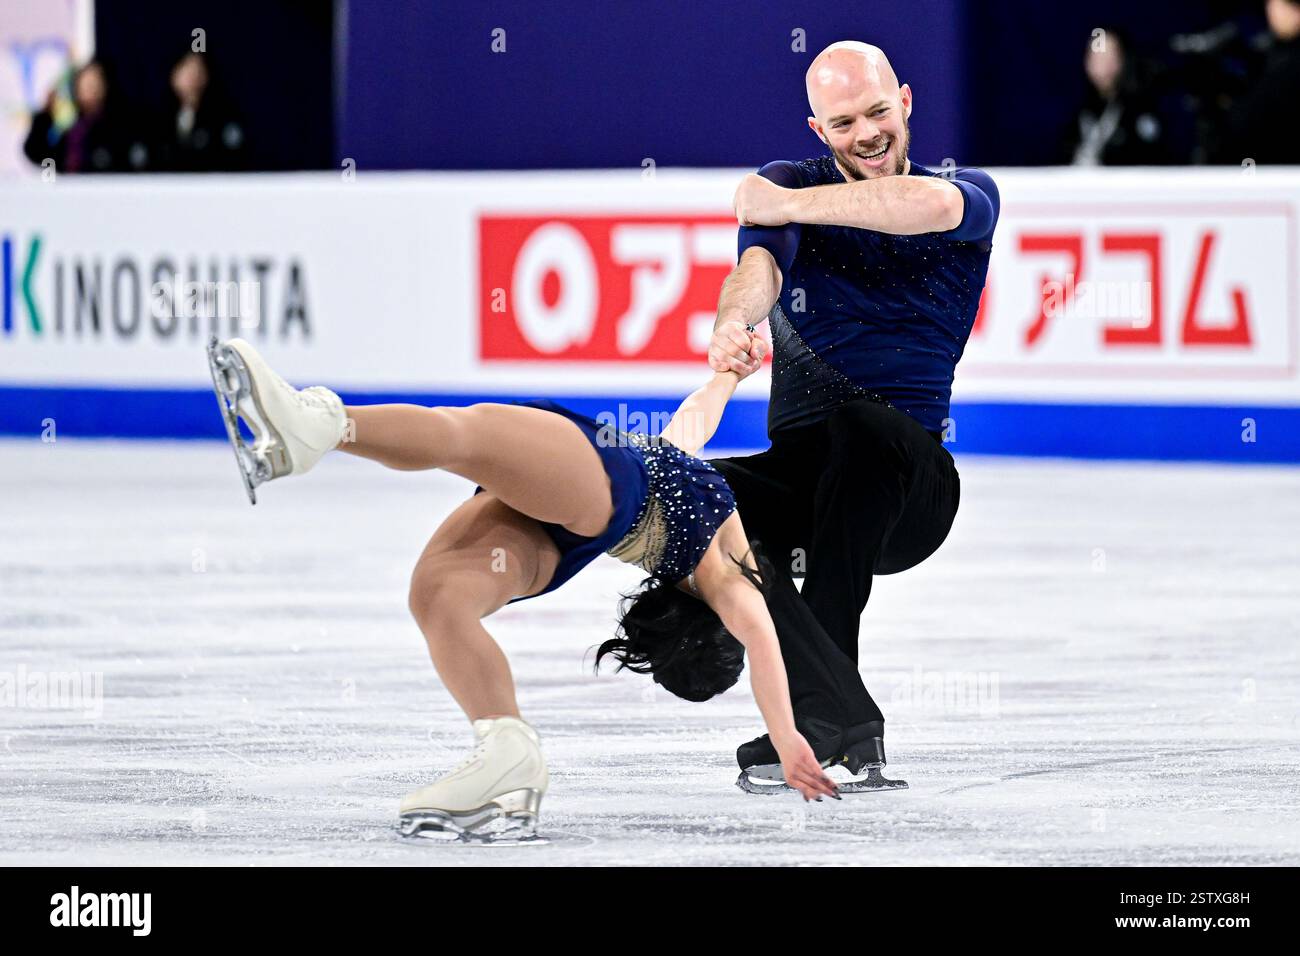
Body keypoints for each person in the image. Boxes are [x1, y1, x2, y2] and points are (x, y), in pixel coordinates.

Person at [205, 337, 839, 842]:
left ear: (711, 626)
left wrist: (785, 737)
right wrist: (729, 377)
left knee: (465, 436)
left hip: (605, 480)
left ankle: (314, 428)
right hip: (570, 534)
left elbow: (762, 638)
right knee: (438, 596)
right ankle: (507, 751)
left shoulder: (723, 575)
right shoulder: (696, 550)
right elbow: (689, 430)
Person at [705, 41, 999, 783]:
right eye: (843, 123)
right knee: (696, 495)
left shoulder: (966, 192)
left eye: (877, 111)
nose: (866, 133)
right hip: (809, 480)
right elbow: (758, 268)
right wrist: (732, 324)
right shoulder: (788, 184)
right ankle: (835, 715)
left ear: (905, 100)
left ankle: (822, 719)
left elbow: (919, 208)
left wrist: (780, 206)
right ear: (817, 130)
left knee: (861, 429)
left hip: (909, 489)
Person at [1061, 26, 1170, 166]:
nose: (1102, 65)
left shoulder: (1138, 111)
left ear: (1122, 60)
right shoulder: (1078, 113)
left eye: (1109, 57)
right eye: (1096, 58)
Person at [23, 60, 134, 173]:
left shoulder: (116, 126)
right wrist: (46, 114)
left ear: (105, 86)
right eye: (86, 84)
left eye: (96, 83)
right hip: (69, 188)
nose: (92, 90)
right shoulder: (69, 126)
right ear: (76, 88)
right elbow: (36, 153)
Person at [155, 52, 246, 172]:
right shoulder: (158, 120)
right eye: (187, 69)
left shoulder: (220, 120)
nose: (193, 78)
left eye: (198, 70)